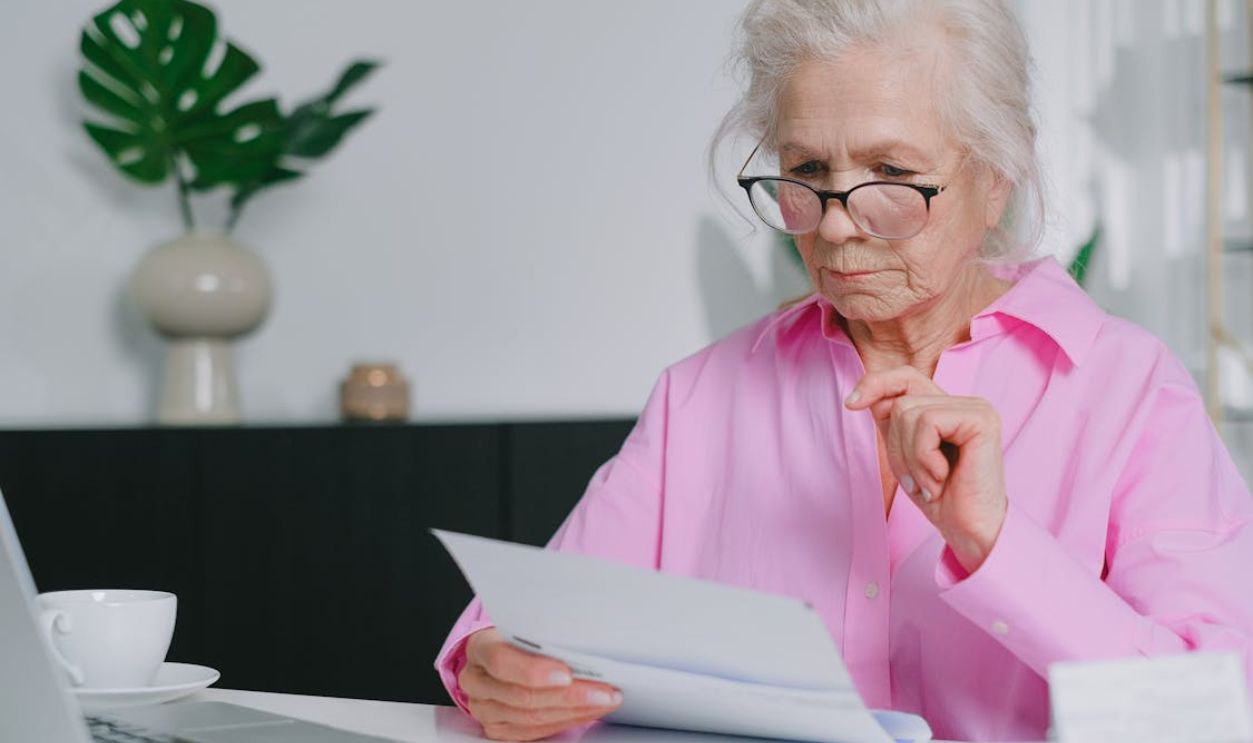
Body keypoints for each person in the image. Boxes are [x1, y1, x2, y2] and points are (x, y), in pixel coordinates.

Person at [434, 1, 1253, 740]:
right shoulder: (702, 395)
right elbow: (525, 628)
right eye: (808, 173)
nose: (833, 227)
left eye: (891, 176)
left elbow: (1213, 713)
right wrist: (495, 668)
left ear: (995, 173)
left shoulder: (1130, 391)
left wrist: (995, 541)